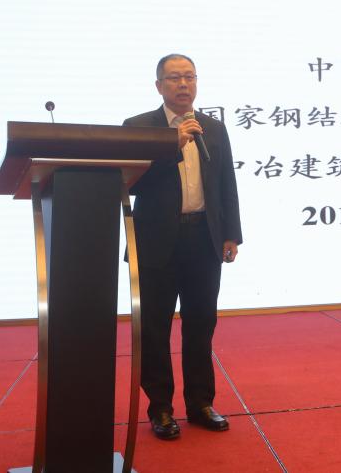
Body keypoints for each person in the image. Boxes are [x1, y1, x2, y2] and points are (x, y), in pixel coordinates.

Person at [123, 53, 242, 440]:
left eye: (190, 76)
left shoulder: (213, 128)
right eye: (174, 78)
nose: (183, 84)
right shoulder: (138, 127)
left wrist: (231, 233)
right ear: (159, 85)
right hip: (156, 242)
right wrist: (172, 146)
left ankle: (201, 403)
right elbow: (130, 183)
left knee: (201, 325)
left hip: (203, 239)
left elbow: (226, 183)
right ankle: (160, 408)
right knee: (154, 328)